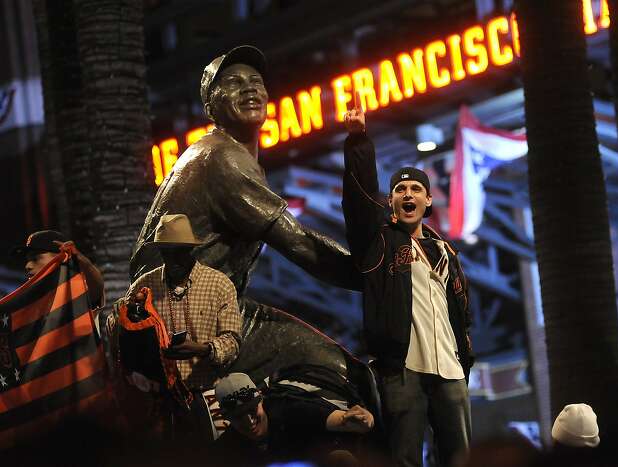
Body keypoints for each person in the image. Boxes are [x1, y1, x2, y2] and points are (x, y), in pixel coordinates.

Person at [130, 44, 357, 296]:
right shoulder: (220, 155)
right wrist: (372, 276)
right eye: (234, 82)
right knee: (309, 339)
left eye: (256, 81)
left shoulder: (222, 153)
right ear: (210, 109)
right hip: (175, 312)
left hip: (200, 303)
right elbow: (299, 243)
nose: (249, 88)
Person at [342, 95, 474, 466]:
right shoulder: (379, 242)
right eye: (400, 189)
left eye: (415, 189)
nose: (408, 194)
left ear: (429, 200)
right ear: (391, 201)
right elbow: (358, 200)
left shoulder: (444, 250)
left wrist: (464, 356)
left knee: (461, 459)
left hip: (450, 369)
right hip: (402, 369)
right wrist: (358, 142)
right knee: (404, 460)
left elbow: (461, 311)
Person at [124, 214, 242, 392]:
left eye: (179, 251)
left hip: (206, 392)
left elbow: (232, 343)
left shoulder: (219, 285)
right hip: (159, 394)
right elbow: (125, 337)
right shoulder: (143, 286)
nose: (172, 259)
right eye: (166, 252)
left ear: (190, 250)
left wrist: (203, 349)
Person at [214, 372, 374, 465]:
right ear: (226, 417)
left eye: (251, 410)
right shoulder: (228, 447)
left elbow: (348, 421)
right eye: (238, 416)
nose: (249, 421)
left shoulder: (290, 409)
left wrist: (365, 419)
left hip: (317, 460)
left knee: (341, 458)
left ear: (261, 400)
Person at [12, 229, 105, 308]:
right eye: (27, 260)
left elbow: (96, 290)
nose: (27, 266)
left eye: (35, 258)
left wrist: (82, 260)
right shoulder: (28, 303)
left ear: (61, 257)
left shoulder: (75, 292)